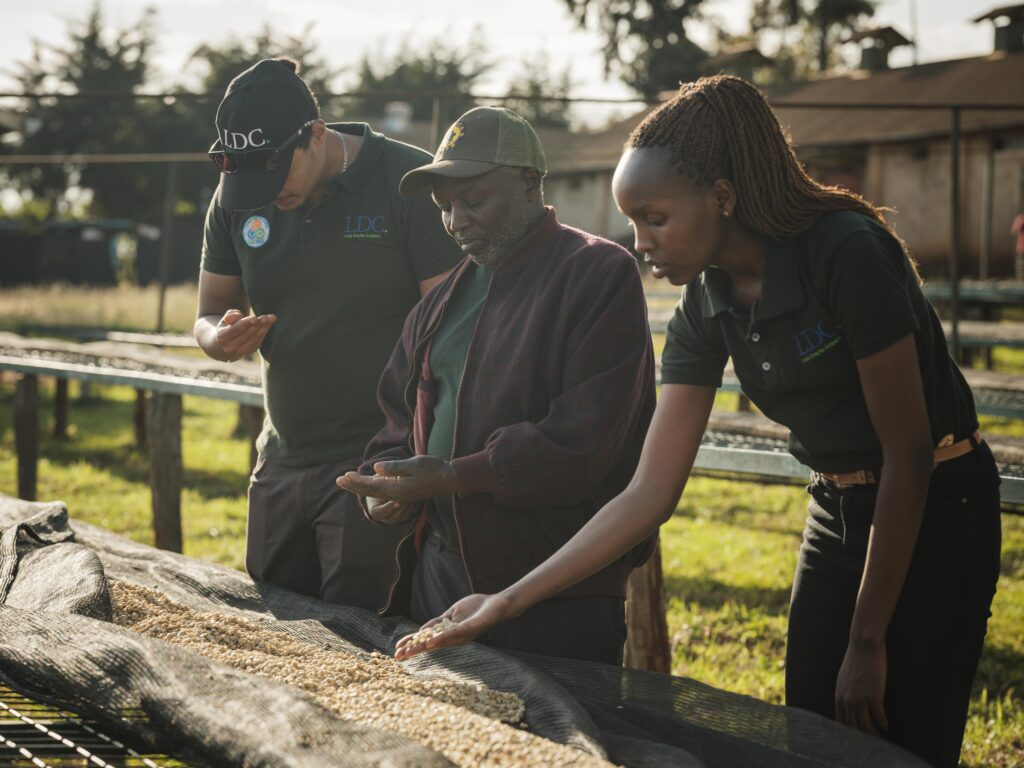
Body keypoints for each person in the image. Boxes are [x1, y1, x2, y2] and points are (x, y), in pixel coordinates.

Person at [394, 77, 1002, 768]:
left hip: (935, 507)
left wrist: (869, 639)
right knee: (811, 732)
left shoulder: (847, 252)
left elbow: (910, 453)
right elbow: (648, 494)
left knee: (900, 733)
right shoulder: (706, 304)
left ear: (722, 197)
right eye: (631, 222)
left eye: (655, 217)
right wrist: (505, 602)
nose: (640, 242)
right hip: (835, 508)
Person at [336, 106, 657, 665]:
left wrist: (455, 476)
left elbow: (584, 445)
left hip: (556, 588)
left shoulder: (597, 274)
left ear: (530, 184)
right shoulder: (435, 306)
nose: (457, 220)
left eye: (474, 200)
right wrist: (385, 492)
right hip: (439, 578)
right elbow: (395, 425)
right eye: (444, 208)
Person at [194, 58, 462, 611]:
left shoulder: (407, 181)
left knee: (363, 645)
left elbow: (452, 330)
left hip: (375, 461)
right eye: (246, 178)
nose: (264, 193)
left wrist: (419, 457)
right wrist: (216, 339)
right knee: (277, 635)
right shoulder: (235, 194)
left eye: (274, 173)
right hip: (282, 457)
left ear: (316, 134)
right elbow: (210, 309)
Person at [1012, 212, 1024, 279]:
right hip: (1021, 247)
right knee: (1021, 264)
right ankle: (1020, 278)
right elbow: (1014, 230)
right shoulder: (1020, 218)